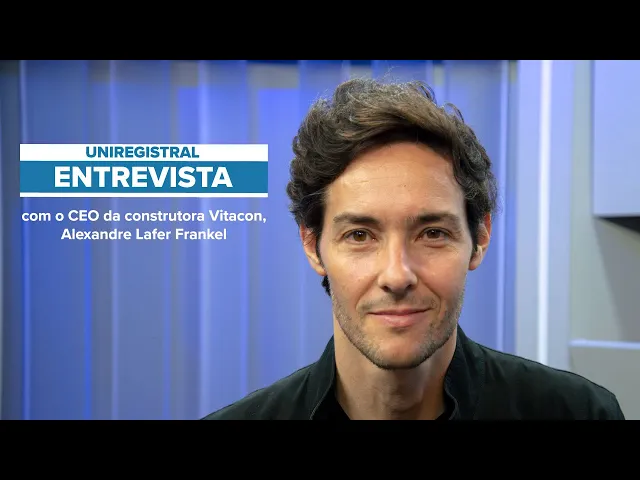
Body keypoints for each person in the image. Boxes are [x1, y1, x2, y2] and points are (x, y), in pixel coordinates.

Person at [203, 77, 625, 420]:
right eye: (360, 235)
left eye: (432, 233)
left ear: (479, 238)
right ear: (313, 247)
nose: (397, 275)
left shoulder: (579, 412)